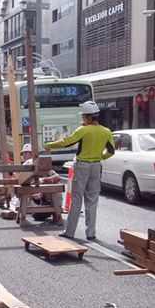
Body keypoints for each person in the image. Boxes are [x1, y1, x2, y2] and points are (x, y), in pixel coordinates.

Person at [44, 101, 114, 240]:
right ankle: (91, 233)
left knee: (76, 199)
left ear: (88, 117)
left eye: (83, 116)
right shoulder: (106, 131)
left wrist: (48, 145)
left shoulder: (83, 130)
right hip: (96, 166)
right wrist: (100, 156)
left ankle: (70, 232)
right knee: (92, 200)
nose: (82, 119)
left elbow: (66, 142)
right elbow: (111, 151)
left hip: (82, 166)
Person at [20, 143, 63, 224]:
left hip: (51, 200)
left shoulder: (43, 166)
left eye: (26, 153)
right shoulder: (26, 166)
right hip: (42, 198)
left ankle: (52, 211)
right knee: (33, 210)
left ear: (32, 153)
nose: (24, 155)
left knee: (37, 216)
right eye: (23, 153)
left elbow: (57, 177)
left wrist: (43, 180)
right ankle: (47, 210)